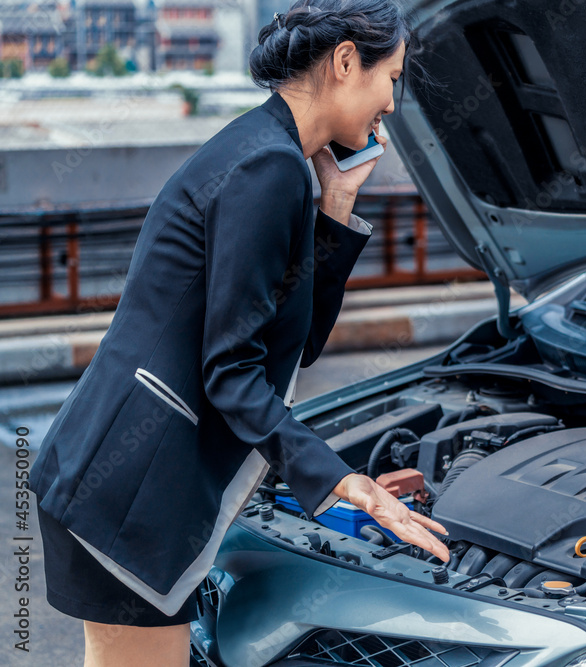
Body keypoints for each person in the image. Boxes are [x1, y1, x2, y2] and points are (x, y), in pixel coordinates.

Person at [27, 0, 450, 664]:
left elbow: (292, 348)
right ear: (346, 62)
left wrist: (335, 207)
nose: (392, 103)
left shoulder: (271, 153)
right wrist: (344, 481)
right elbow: (231, 373)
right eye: (391, 77)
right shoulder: (268, 167)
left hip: (121, 485)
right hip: (131, 497)